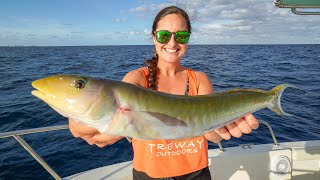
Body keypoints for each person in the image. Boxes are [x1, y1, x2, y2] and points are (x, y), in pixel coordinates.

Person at [68, 6, 259, 180]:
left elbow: (212, 136)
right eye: (164, 35)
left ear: (188, 40)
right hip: (148, 176)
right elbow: (94, 129)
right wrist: (82, 121)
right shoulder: (137, 79)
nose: (173, 42)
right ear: (154, 37)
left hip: (196, 175)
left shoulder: (199, 79)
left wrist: (225, 128)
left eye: (181, 36)